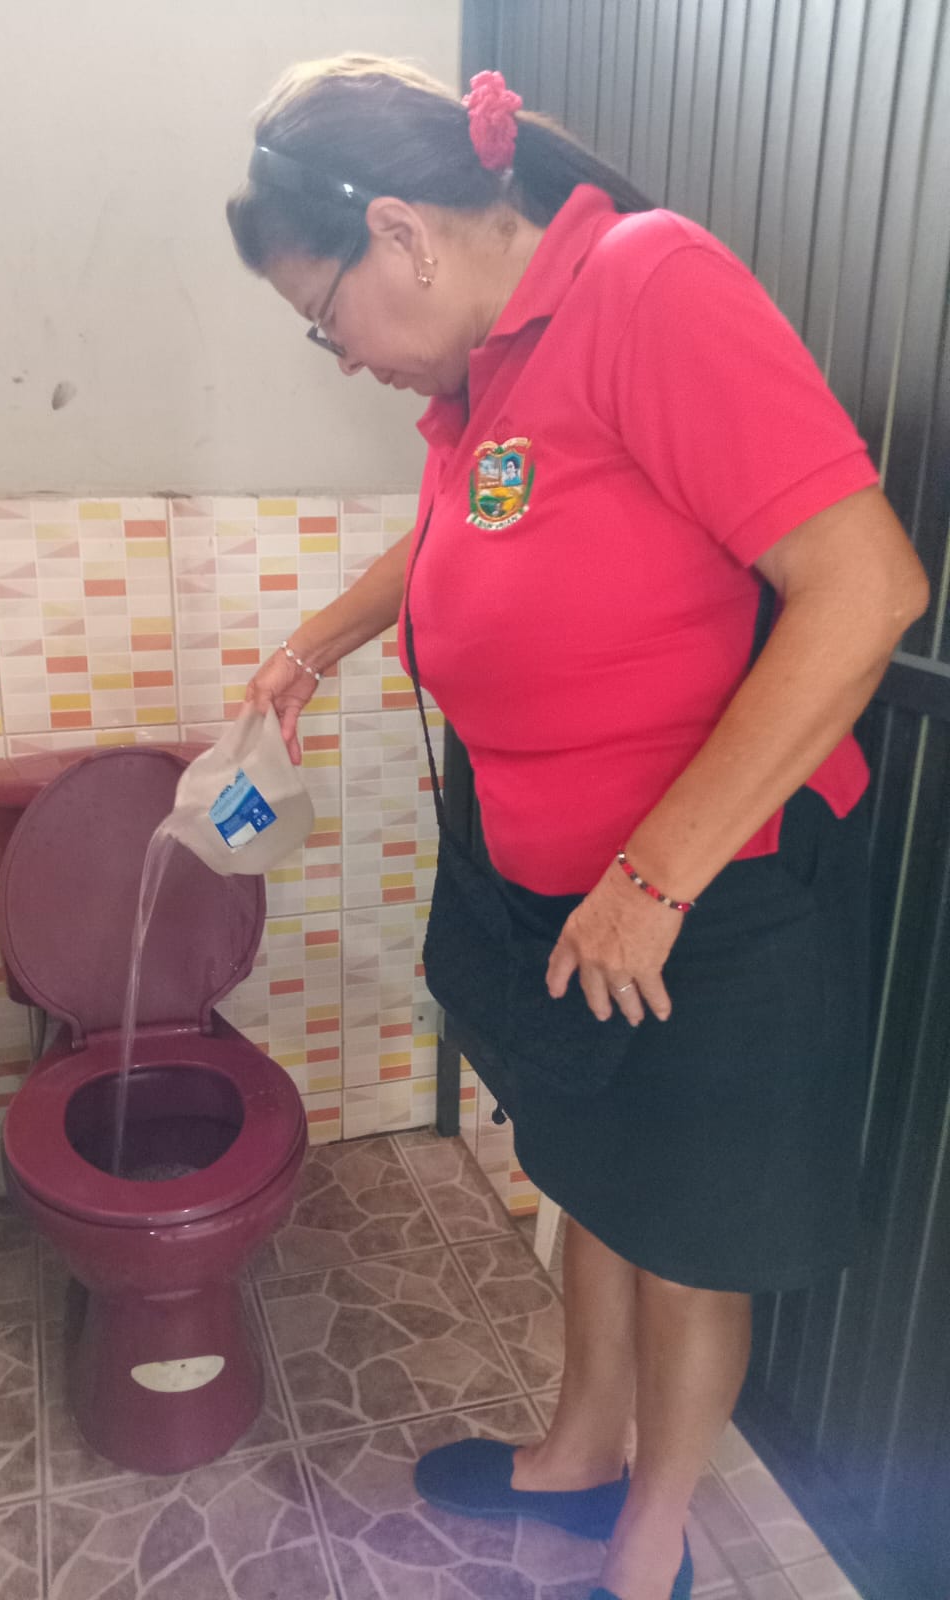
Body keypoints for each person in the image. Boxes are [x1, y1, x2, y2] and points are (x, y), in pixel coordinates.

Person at [228, 55, 929, 1600]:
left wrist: (655, 880)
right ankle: (576, 1455)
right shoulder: (495, 364)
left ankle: (651, 1542)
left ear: (400, 234)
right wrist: (318, 644)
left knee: (681, 1237)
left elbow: (867, 586)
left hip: (715, 898)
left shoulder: (647, 287)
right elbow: (457, 534)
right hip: (566, 889)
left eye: (326, 316)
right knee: (597, 1180)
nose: (341, 357)